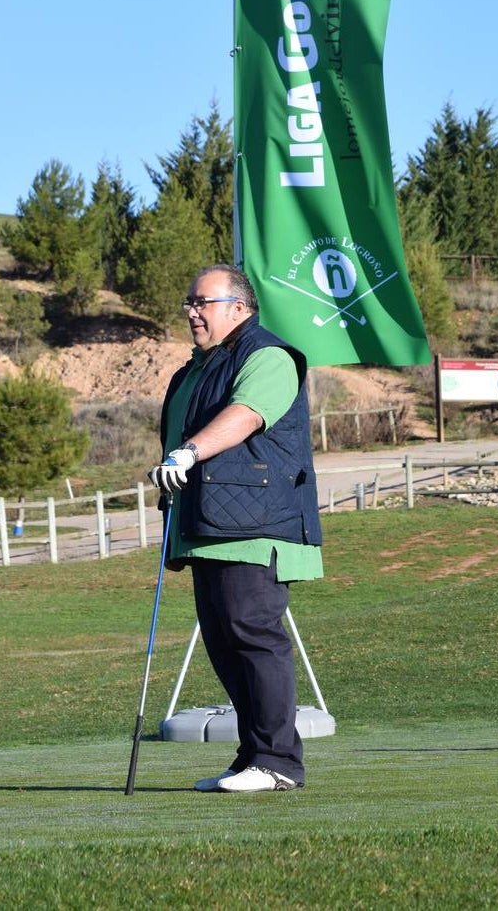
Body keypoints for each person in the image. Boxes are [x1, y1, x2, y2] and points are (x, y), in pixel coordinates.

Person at [149, 263, 323, 793]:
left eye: (203, 301)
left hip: (258, 524)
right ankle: (253, 757)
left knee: (253, 635)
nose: (191, 311)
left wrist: (190, 450)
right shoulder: (196, 369)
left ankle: (278, 762)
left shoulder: (267, 355)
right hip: (210, 525)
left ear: (240, 308)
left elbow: (247, 414)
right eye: (189, 301)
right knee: (225, 642)